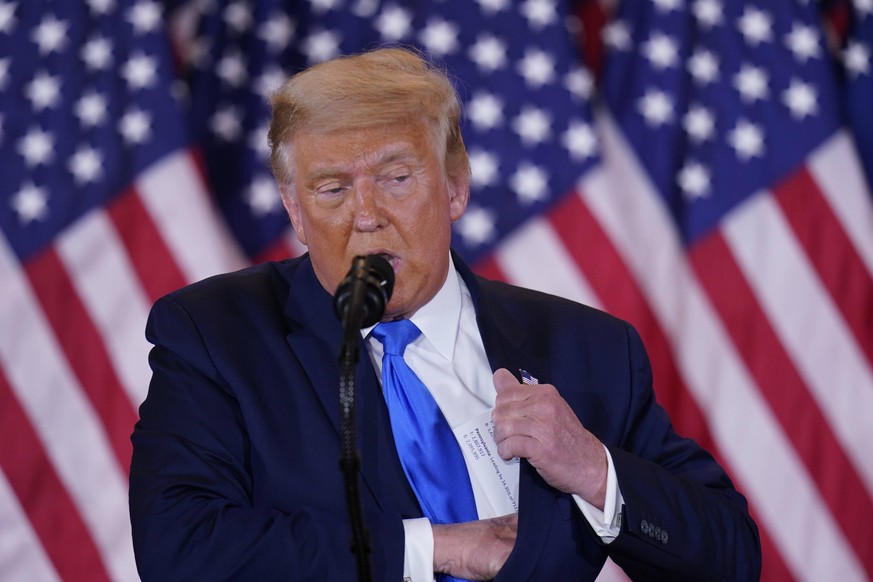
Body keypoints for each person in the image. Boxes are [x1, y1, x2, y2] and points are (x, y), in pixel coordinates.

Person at [129, 47, 761, 581]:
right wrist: (440, 547)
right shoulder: (217, 336)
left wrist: (594, 469)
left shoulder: (585, 349)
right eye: (332, 189)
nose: (366, 214)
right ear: (294, 211)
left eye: (396, 177)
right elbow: (180, 547)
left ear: (455, 185)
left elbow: (731, 555)